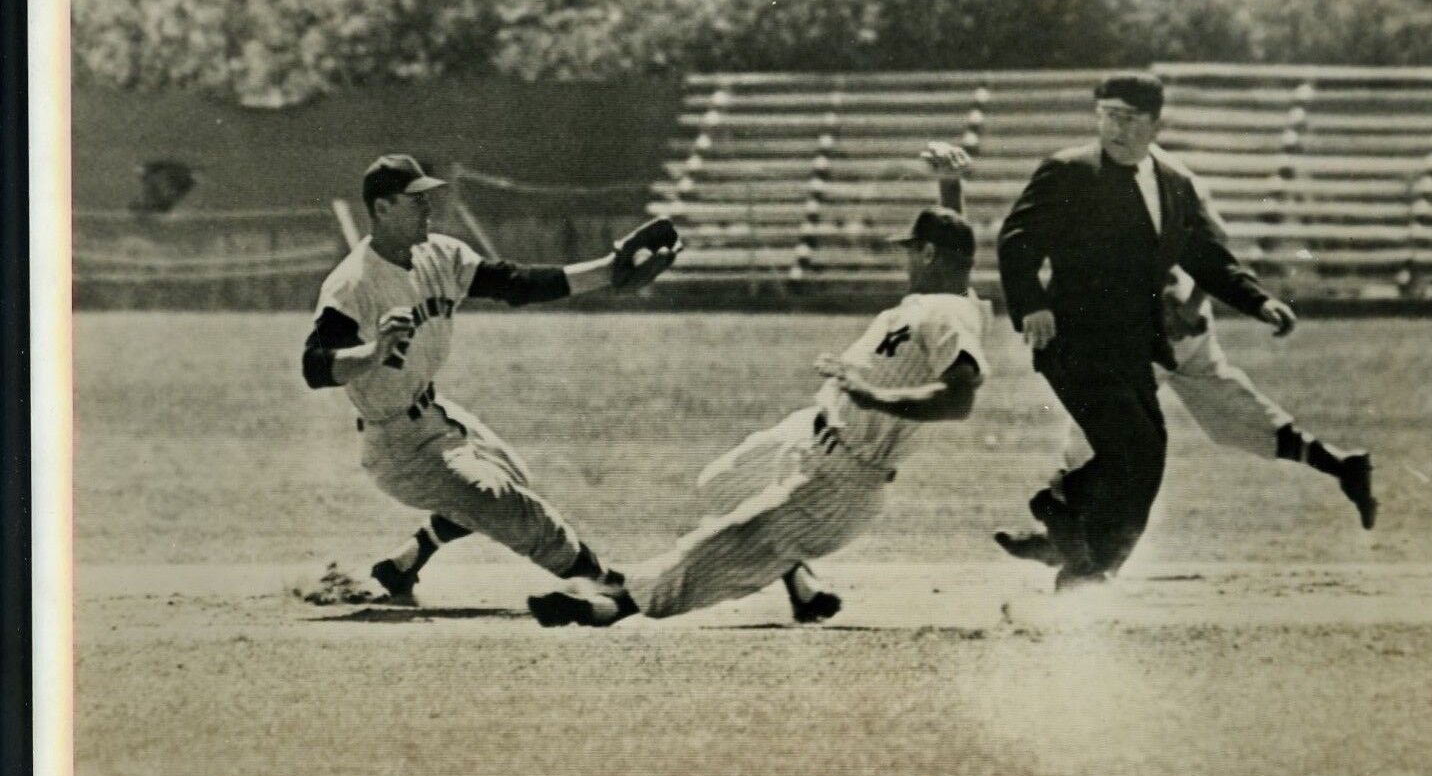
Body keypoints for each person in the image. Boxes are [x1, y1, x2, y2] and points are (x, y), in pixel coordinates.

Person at [525, 143, 990, 627]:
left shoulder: (949, 313)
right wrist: (949, 187)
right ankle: (802, 589)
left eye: (913, 251)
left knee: (729, 541)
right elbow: (957, 252)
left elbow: (959, 399)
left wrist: (873, 397)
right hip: (807, 438)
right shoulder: (948, 297)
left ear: (930, 254)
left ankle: (611, 604)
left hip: (843, 479)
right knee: (722, 482)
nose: (907, 260)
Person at [301, 154, 679, 603]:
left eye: (428, 199)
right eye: (415, 200)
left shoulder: (439, 255)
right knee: (496, 498)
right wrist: (372, 352)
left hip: (437, 416)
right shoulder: (352, 284)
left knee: (509, 477)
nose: (428, 208)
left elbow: (514, 283)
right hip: (394, 442)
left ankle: (403, 565)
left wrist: (607, 271)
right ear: (381, 209)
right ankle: (600, 581)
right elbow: (315, 366)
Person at [993, 72, 1310, 588]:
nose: (1115, 128)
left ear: (1156, 124)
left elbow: (1207, 257)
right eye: (1107, 114)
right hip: (1072, 340)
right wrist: (1030, 305)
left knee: (1146, 456)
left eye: (1130, 118)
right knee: (1132, 450)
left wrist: (1259, 301)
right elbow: (1017, 241)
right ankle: (1069, 526)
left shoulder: (1174, 184)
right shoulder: (1068, 171)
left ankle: (1079, 553)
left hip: (1135, 346)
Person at [994, 257, 1379, 571]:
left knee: (1100, 437)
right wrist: (1193, 307)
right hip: (1181, 325)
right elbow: (1206, 250)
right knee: (1236, 417)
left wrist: (1184, 307)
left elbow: (1203, 250)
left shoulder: (1137, 182)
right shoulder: (1154, 182)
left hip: (1157, 328)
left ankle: (1078, 553)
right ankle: (1342, 465)